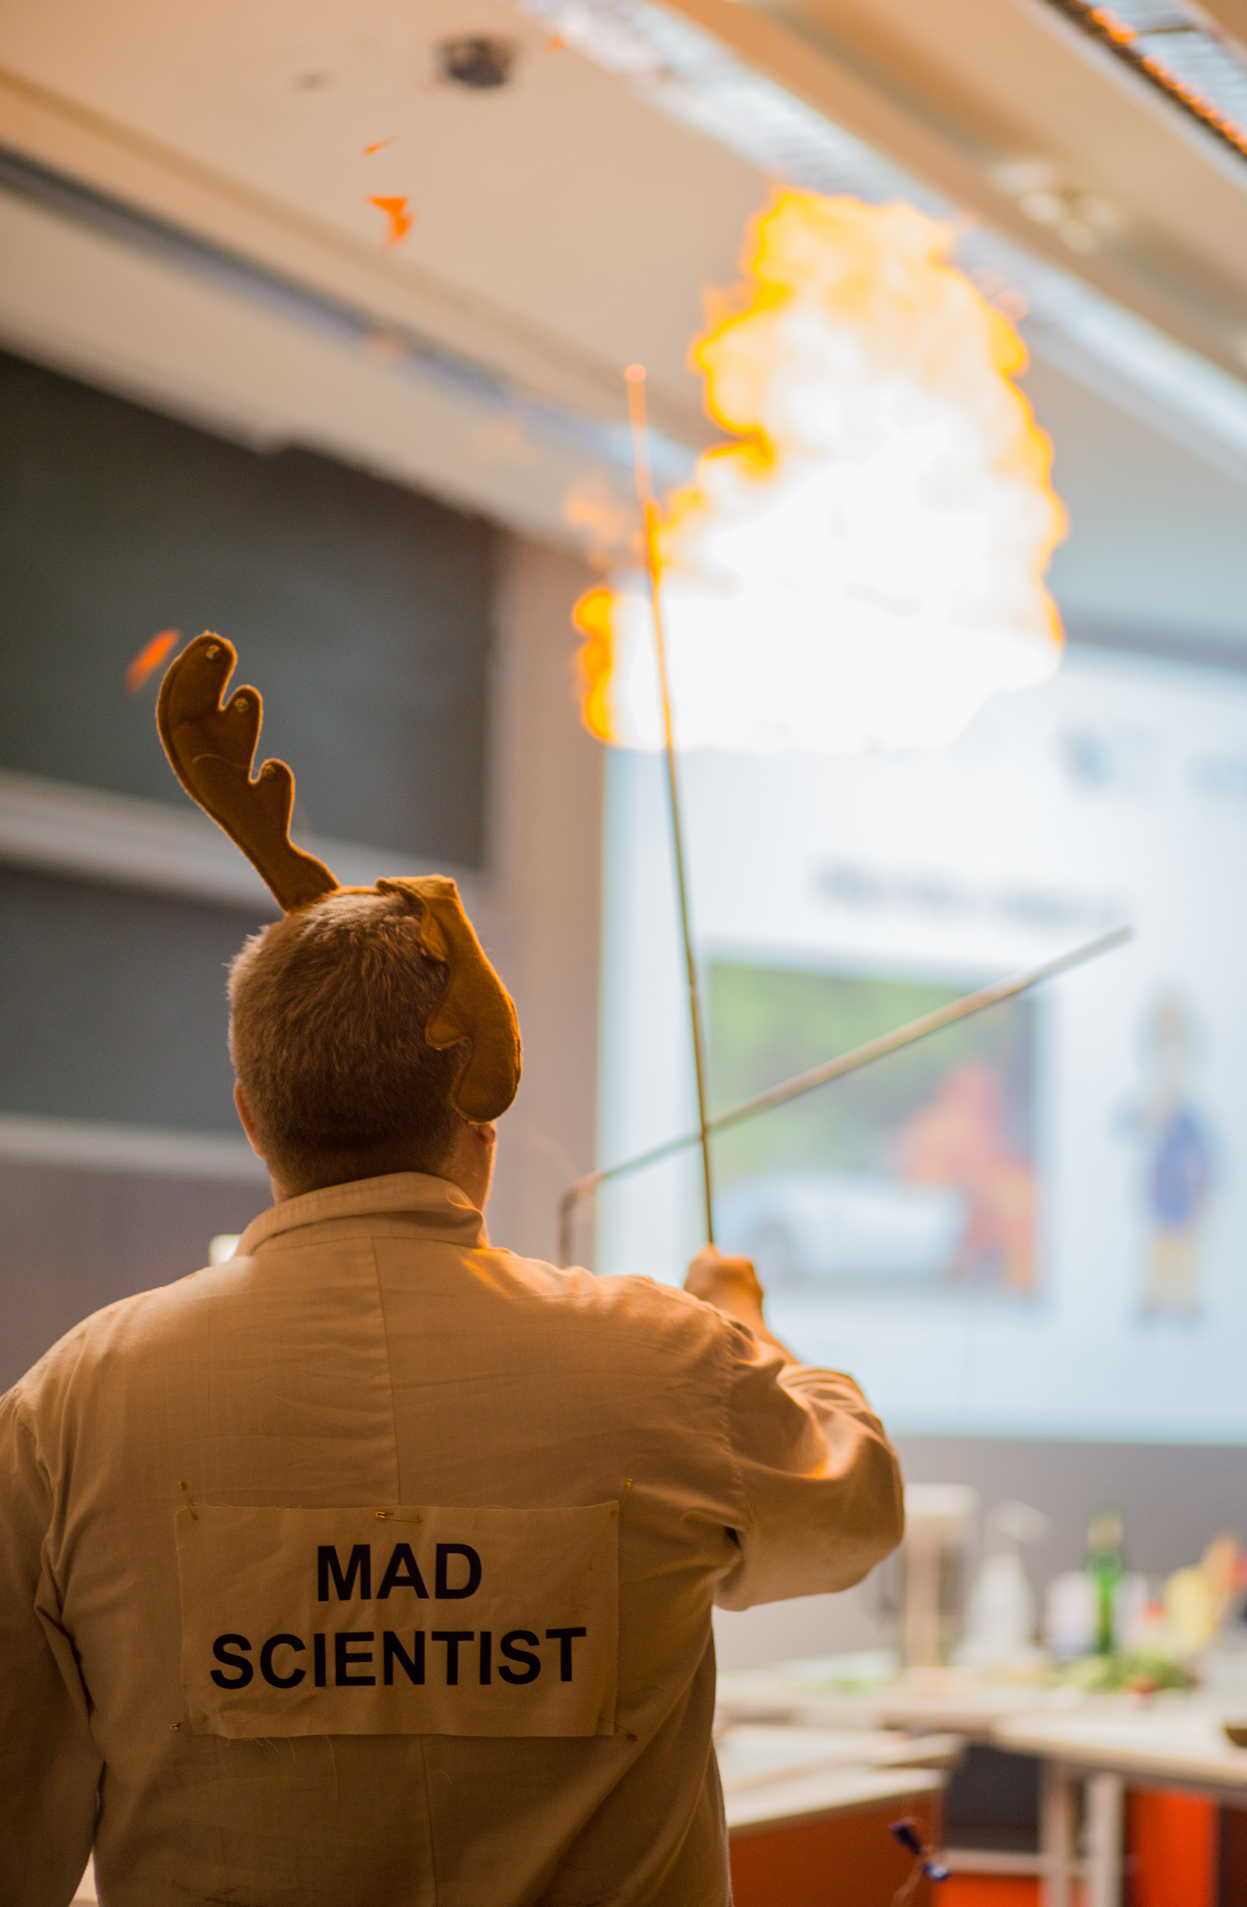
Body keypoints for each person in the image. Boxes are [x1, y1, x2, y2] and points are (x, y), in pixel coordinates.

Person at [0, 643, 903, 1907]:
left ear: (255, 1116)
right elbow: (850, 1512)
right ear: (484, 1105)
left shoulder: (70, 1407)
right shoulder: (669, 1357)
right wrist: (744, 1324)